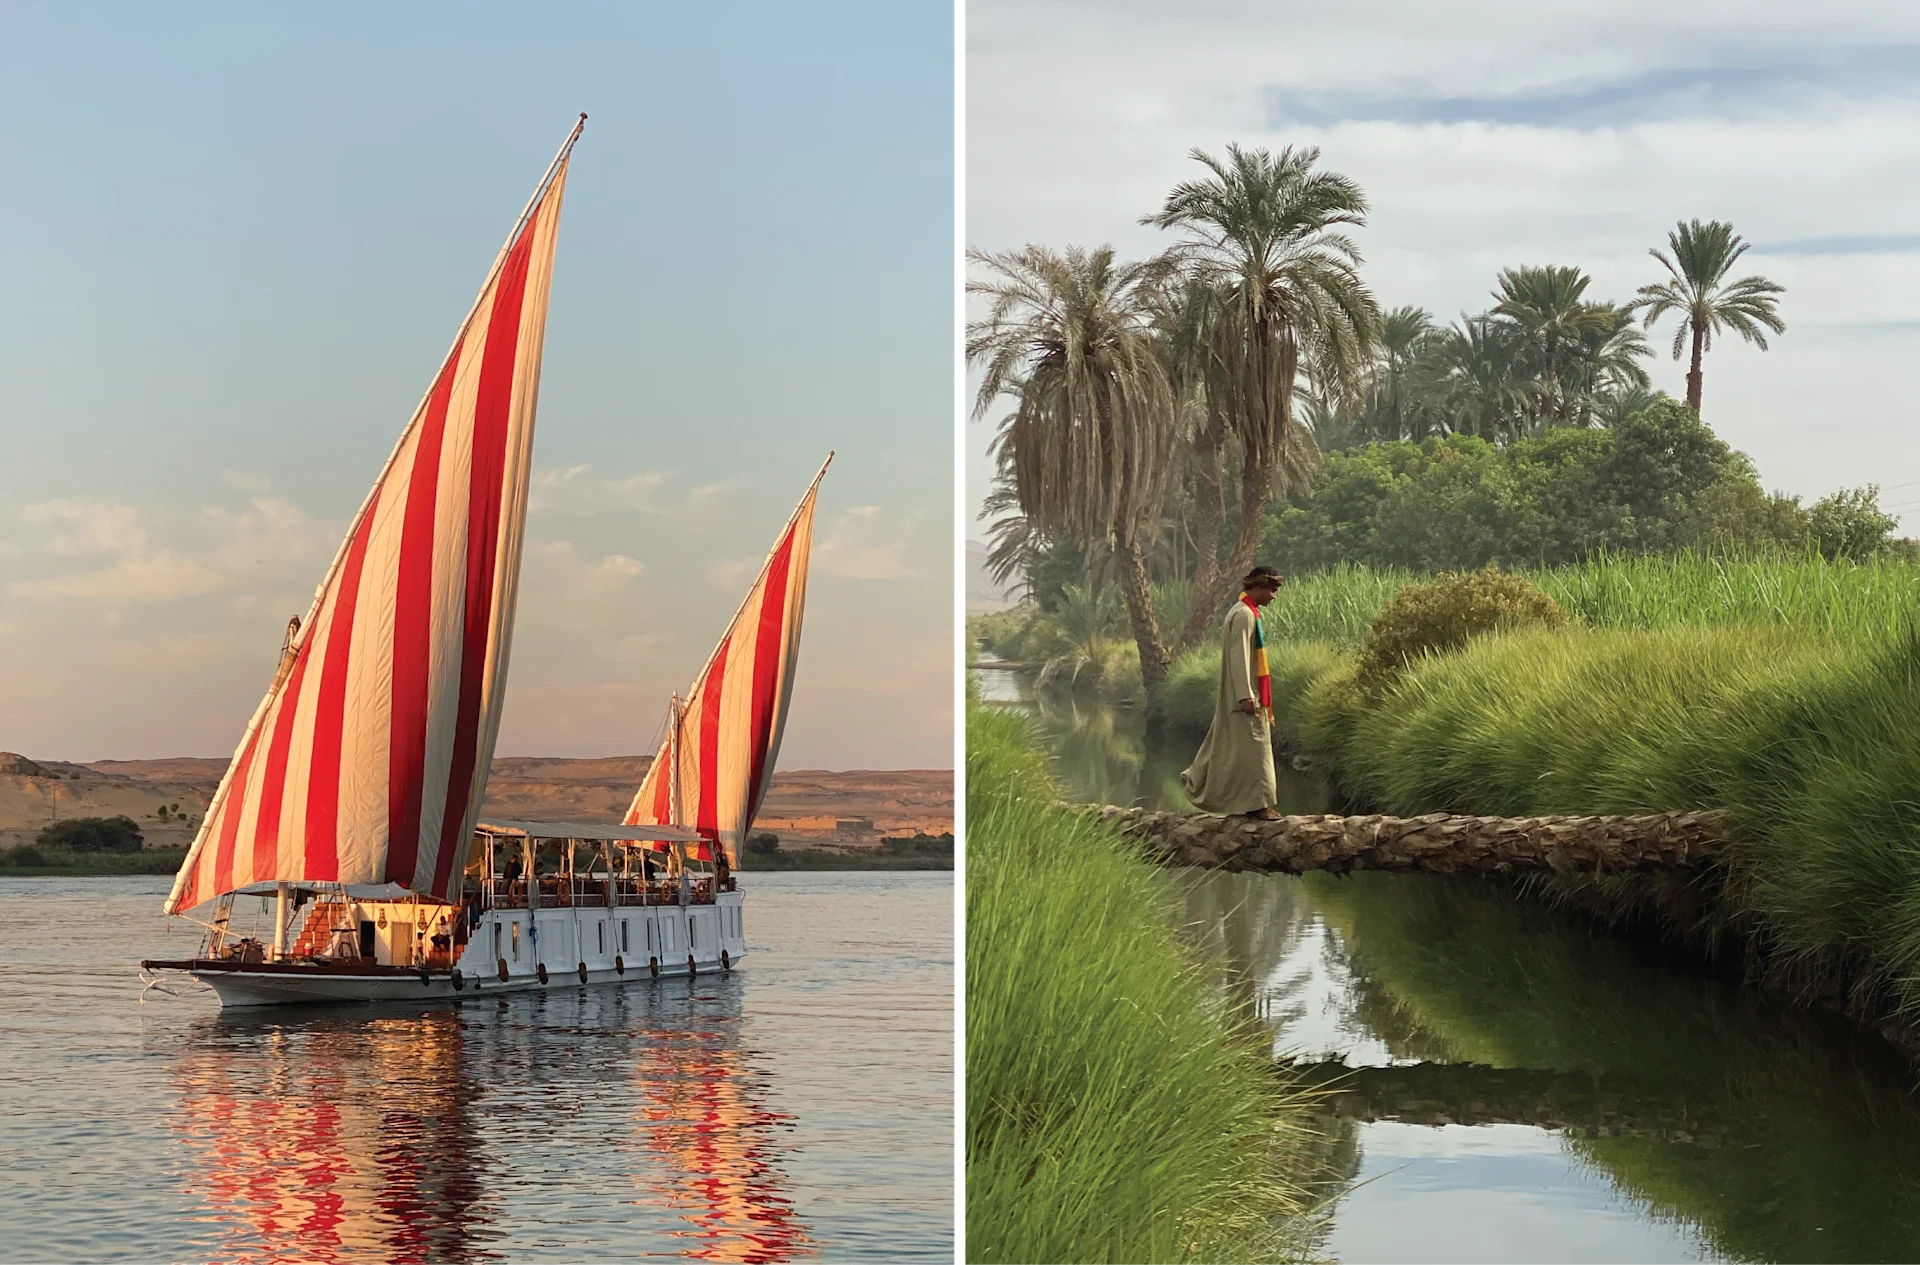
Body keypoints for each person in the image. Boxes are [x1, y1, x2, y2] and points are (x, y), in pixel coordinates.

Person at [1179, 566, 1285, 819]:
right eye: (1271, 590)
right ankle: (1260, 806)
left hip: (1243, 696)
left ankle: (1228, 796)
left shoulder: (1243, 612)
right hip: (1245, 699)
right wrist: (1245, 695)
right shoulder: (1244, 615)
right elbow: (1239, 657)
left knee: (1234, 750)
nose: (1274, 596)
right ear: (1258, 587)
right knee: (1255, 751)